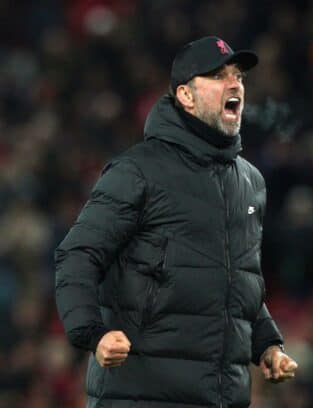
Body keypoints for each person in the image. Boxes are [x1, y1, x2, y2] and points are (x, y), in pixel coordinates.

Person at [55, 36, 298, 408]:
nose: (234, 84)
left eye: (238, 77)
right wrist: (94, 333)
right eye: (218, 76)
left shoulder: (250, 183)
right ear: (185, 96)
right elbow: (77, 255)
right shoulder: (138, 171)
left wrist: (267, 345)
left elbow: (238, 279)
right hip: (140, 397)